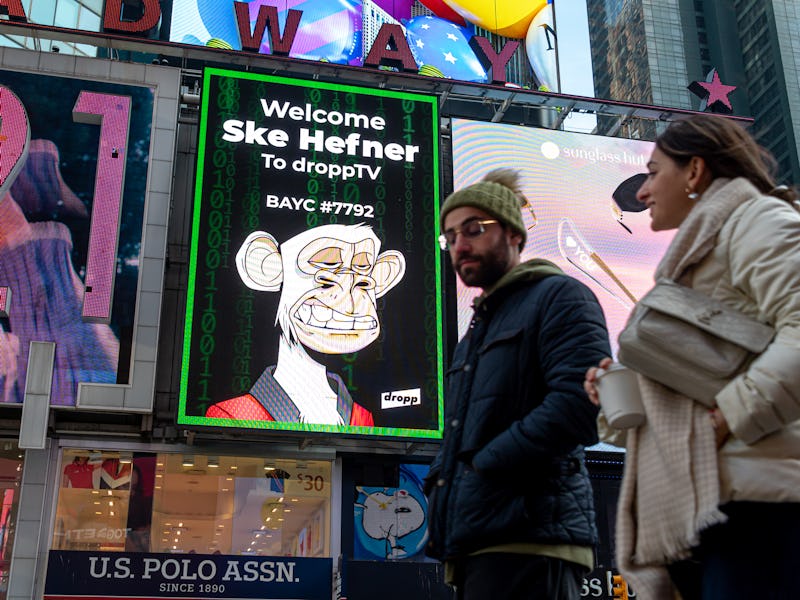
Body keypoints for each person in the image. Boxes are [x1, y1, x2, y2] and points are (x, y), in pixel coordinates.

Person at [584, 114, 800, 599]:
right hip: (706, 508)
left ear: (695, 171)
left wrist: (726, 418)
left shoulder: (760, 220)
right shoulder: (696, 257)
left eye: (654, 172)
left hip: (762, 506)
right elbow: (702, 383)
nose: (641, 192)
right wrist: (617, 400)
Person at [425, 169, 611, 599]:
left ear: (513, 233)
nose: (460, 246)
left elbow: (578, 407)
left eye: (473, 229)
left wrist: (481, 467)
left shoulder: (560, 296)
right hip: (477, 540)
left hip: (531, 538)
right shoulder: (475, 333)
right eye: (450, 237)